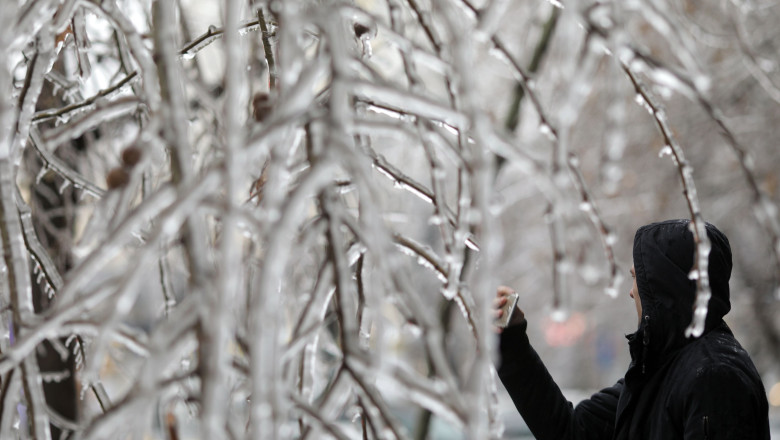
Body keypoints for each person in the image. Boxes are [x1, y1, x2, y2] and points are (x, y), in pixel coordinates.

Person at [494, 219, 769, 439]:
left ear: (666, 284)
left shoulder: (714, 375)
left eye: (638, 278)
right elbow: (571, 431)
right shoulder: (657, 371)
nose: (631, 292)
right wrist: (513, 339)